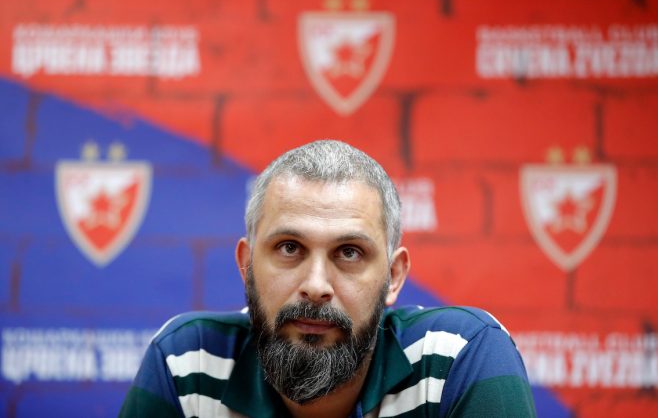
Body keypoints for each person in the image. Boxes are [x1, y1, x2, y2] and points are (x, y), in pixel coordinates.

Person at [120, 140, 536, 417]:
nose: (316, 285)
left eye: (349, 252)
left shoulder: (456, 359)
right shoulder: (188, 364)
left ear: (393, 277)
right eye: (289, 248)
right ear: (246, 266)